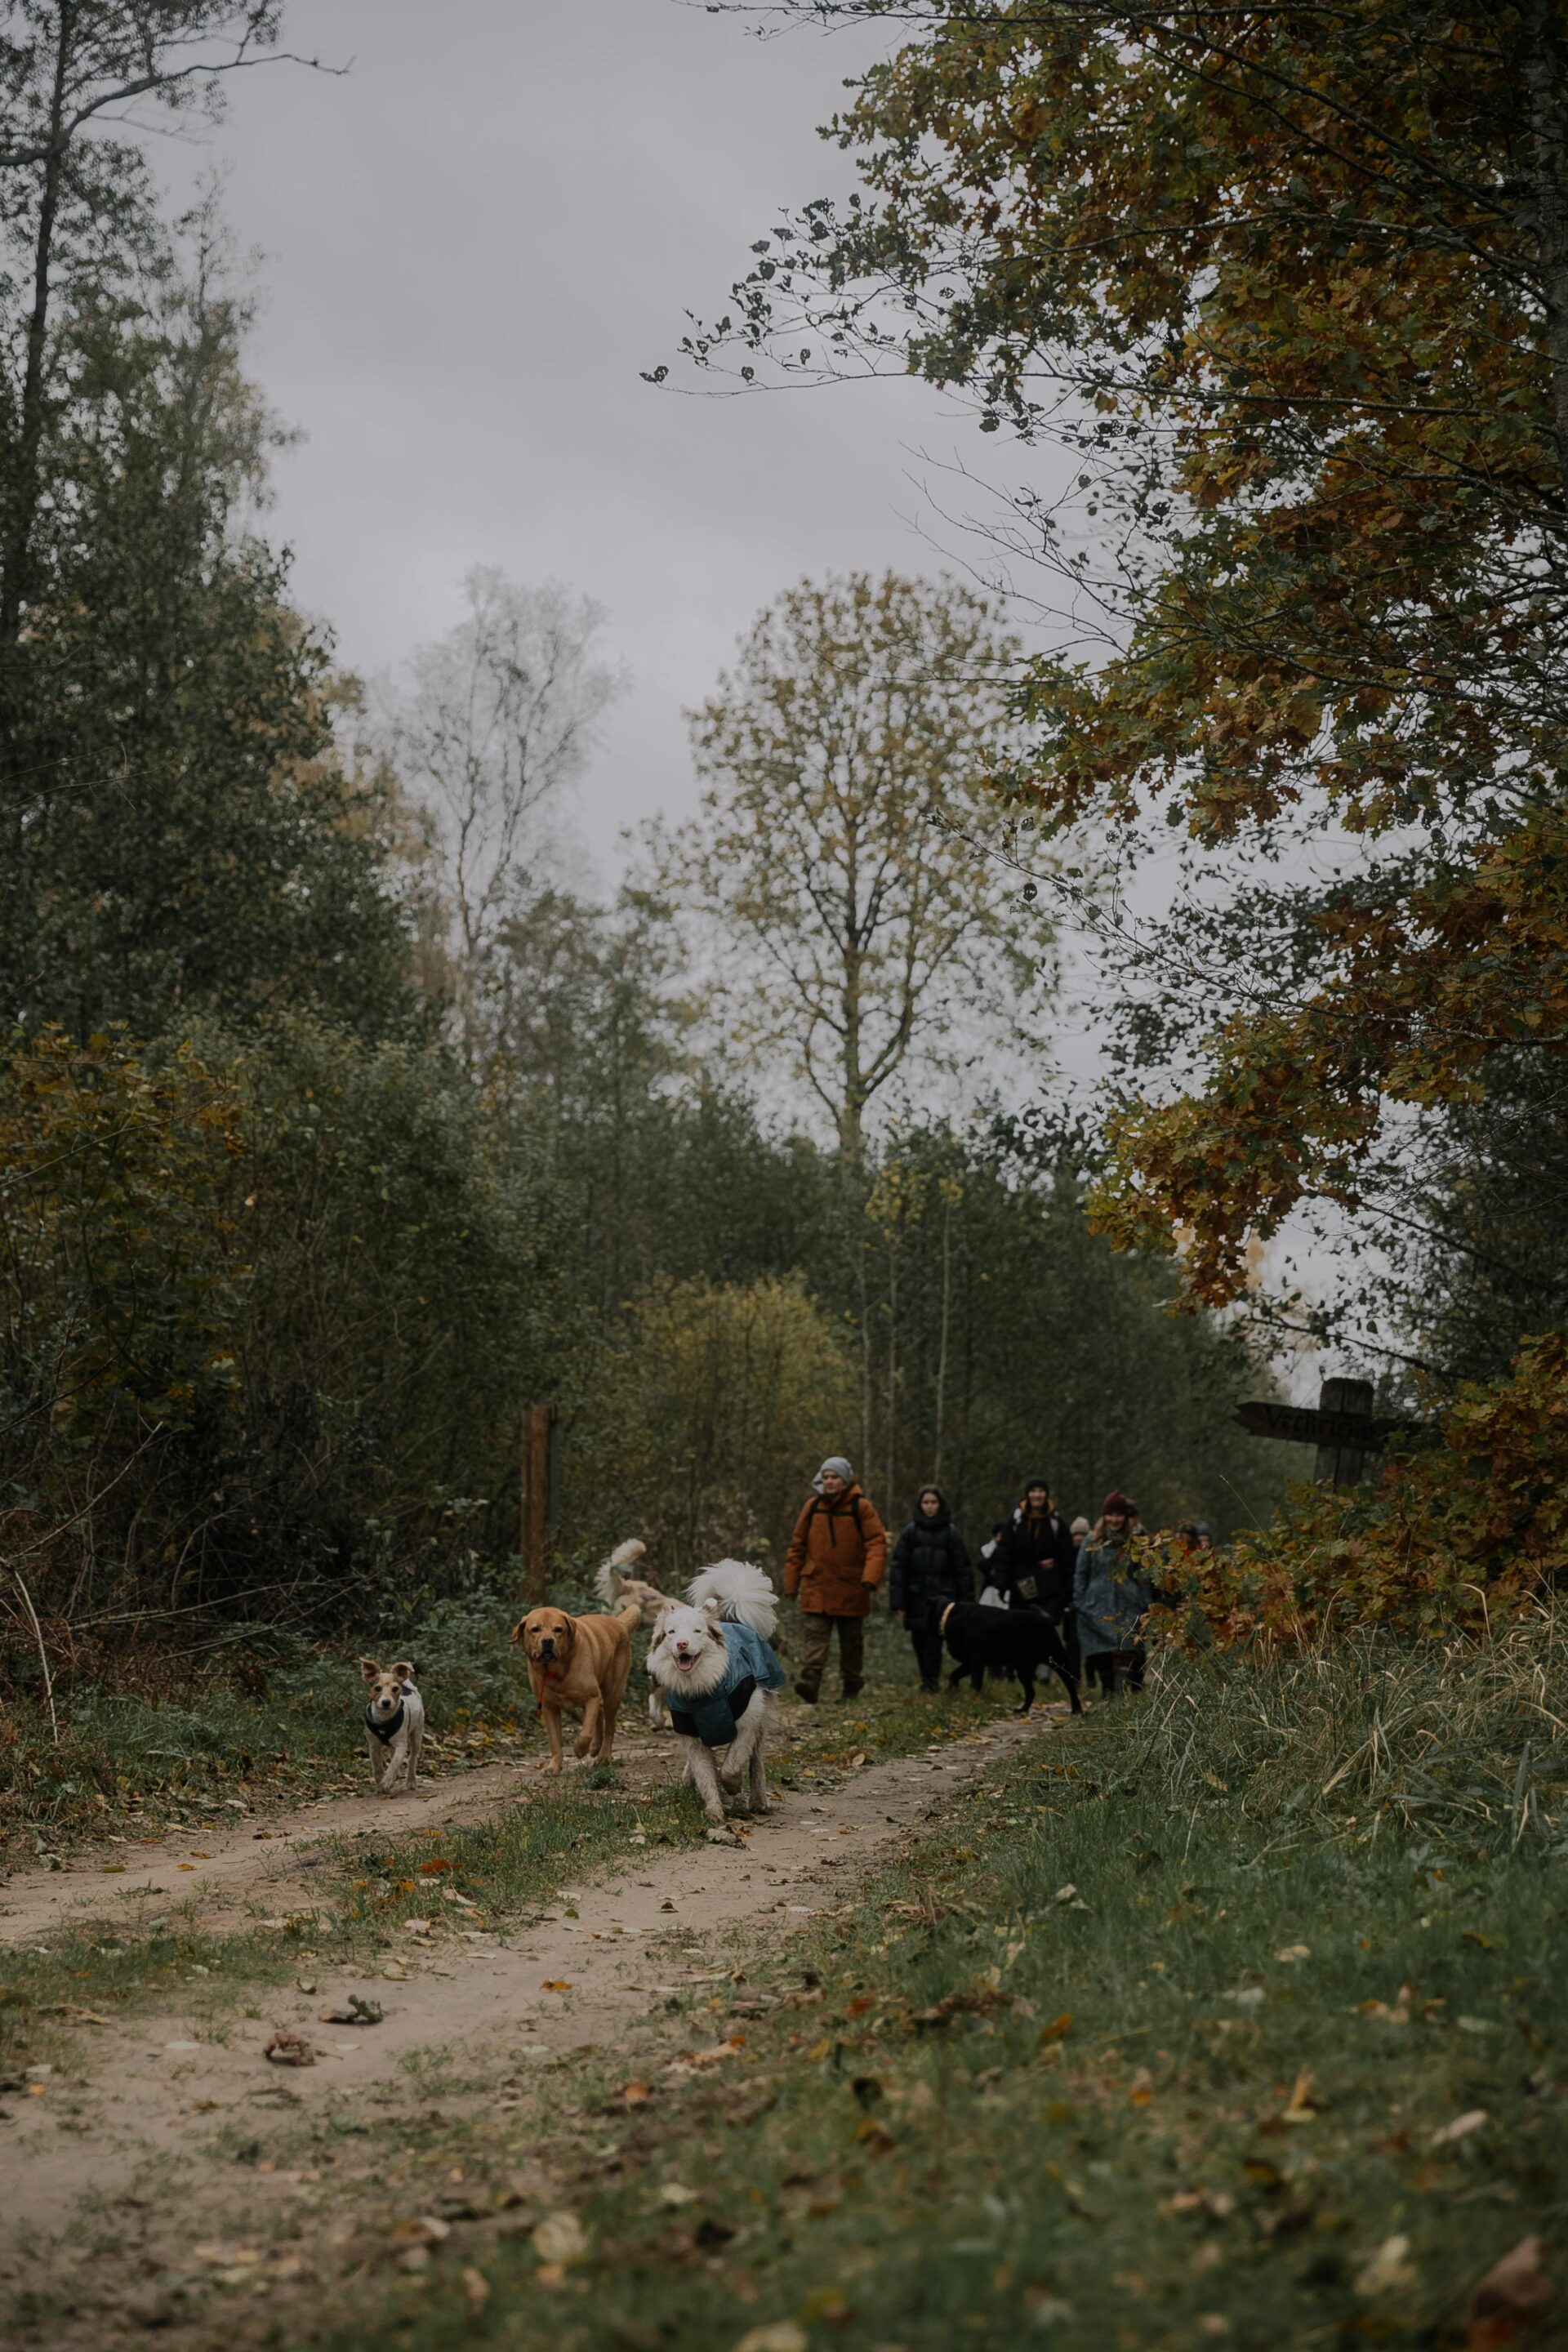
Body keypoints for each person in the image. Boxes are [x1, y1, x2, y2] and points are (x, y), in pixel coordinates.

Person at [782, 1456, 889, 1704]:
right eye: (826, 1477)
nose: (829, 1482)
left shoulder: (860, 1507)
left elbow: (876, 1543)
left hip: (852, 1586)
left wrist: (870, 1577)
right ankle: (810, 1681)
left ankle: (851, 1686)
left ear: (845, 1480)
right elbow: (797, 1546)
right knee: (815, 1635)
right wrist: (791, 1584)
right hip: (817, 1584)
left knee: (851, 1641)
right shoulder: (812, 1506)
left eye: (835, 1477)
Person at [994, 1476, 1080, 1682]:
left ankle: (1045, 1672)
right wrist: (1002, 1582)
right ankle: (1022, 1671)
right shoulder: (1015, 1522)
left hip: (1050, 1585)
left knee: (1046, 1626)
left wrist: (1069, 1590)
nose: (1037, 1495)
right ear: (1027, 1495)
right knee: (1019, 1629)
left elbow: (1067, 1558)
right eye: (1033, 1491)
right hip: (1020, 1584)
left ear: (1046, 1494)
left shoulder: (1056, 1522)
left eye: (1041, 1491)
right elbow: (1004, 1553)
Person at [889, 1486, 973, 1691]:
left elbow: (962, 1569)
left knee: (937, 1640)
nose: (929, 1507)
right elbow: (899, 1569)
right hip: (916, 1596)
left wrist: (966, 1601)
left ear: (940, 1504)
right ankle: (928, 1680)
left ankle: (936, 1680)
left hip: (944, 1597)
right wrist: (898, 1602)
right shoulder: (910, 1532)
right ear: (920, 1505)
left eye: (933, 1502)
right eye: (926, 1502)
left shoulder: (951, 1533)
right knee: (919, 1639)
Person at [1073, 1489, 1153, 1697]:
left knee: (1131, 1647)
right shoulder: (1092, 1541)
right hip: (1096, 1604)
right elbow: (1081, 1573)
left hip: (1129, 1602)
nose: (1115, 1519)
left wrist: (1146, 1602)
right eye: (1111, 1514)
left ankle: (1130, 1694)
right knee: (1101, 1651)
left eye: (1119, 1515)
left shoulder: (1135, 1541)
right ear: (1104, 1515)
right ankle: (1108, 1693)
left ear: (1126, 1517)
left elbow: (1143, 1573)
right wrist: (1080, 1601)